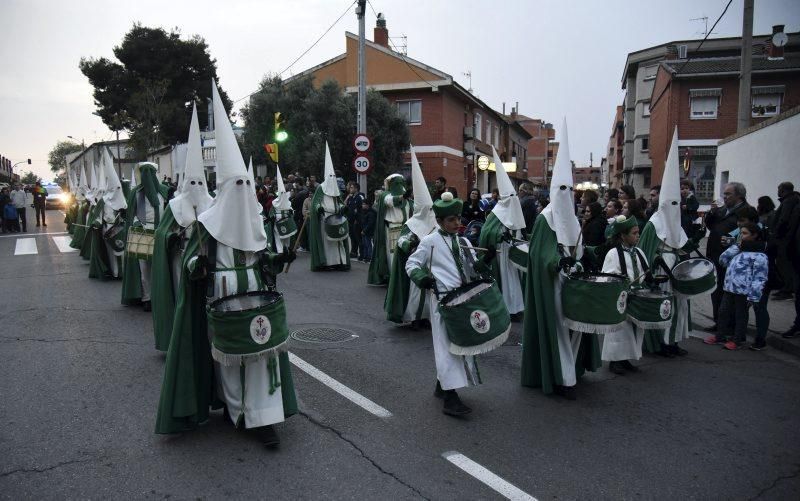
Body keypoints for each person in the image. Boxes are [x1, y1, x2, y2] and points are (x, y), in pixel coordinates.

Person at [155, 81, 297, 446]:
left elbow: (264, 263)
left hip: (255, 299)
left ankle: (265, 416)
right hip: (221, 301)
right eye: (236, 183)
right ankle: (240, 414)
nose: (242, 191)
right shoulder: (207, 226)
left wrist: (280, 258)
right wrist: (194, 270)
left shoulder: (256, 223)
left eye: (246, 184)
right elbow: (191, 261)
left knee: (261, 358)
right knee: (231, 363)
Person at [520, 120, 601, 400]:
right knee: (558, 331)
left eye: (570, 189)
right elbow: (541, 253)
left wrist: (588, 255)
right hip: (554, 287)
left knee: (576, 329)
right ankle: (562, 378)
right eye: (561, 189)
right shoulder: (545, 219)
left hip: (574, 284)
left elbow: (578, 247)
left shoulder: (574, 219)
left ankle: (572, 371)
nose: (566, 195)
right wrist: (557, 262)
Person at [406, 191, 499, 415]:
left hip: (463, 300)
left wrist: (486, 260)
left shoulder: (464, 241)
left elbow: (473, 268)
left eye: (458, 218)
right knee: (447, 347)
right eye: (451, 220)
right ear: (439, 221)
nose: (458, 223)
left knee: (459, 344)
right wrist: (423, 278)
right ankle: (450, 398)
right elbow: (411, 263)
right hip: (442, 302)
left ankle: (442, 384)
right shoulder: (430, 242)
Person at [151, 104, 213, 352]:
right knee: (182, 296)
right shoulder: (175, 205)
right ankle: (182, 338)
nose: (197, 186)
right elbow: (161, 233)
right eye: (193, 182)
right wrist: (172, 238)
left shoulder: (212, 202)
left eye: (201, 182)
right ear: (186, 182)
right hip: (182, 257)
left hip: (207, 257)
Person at [638, 130, 697, 357]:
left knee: (678, 308)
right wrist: (656, 263)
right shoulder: (654, 224)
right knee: (662, 308)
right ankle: (659, 343)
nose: (673, 207)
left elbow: (681, 246)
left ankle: (673, 341)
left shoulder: (677, 224)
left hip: (677, 276)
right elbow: (645, 252)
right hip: (661, 276)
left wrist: (689, 247)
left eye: (677, 202)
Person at [385, 148, 436, 325]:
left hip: (431, 265)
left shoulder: (435, 224)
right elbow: (402, 240)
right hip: (415, 266)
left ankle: (427, 318)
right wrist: (410, 243)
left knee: (431, 295)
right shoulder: (412, 224)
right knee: (416, 294)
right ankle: (415, 318)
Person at [478, 148, 526, 317]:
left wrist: (516, 239)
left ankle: (516, 307)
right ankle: (504, 308)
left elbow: (519, 231)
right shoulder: (496, 213)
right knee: (504, 282)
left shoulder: (514, 210)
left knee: (514, 282)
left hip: (513, 255)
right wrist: (499, 236)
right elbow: (486, 232)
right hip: (500, 255)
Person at [708, 223, 768, 350]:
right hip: (729, 288)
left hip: (743, 291)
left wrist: (753, 296)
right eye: (741, 233)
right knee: (723, 312)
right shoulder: (738, 250)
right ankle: (720, 335)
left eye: (745, 233)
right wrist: (736, 247)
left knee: (740, 315)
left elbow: (759, 278)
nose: (742, 236)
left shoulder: (760, 256)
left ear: (755, 235)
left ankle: (737, 339)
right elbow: (723, 260)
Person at [601, 216, 648, 374]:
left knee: (632, 330)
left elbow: (644, 272)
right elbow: (607, 276)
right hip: (621, 298)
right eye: (634, 233)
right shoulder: (613, 254)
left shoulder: (639, 252)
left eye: (638, 232)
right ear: (623, 235)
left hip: (637, 297)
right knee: (619, 331)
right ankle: (615, 361)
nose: (637, 236)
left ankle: (626, 358)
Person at [120, 162, 169, 310]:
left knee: (161, 267)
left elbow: (169, 212)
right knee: (145, 269)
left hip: (161, 233)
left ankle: (162, 296)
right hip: (143, 234)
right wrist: (138, 224)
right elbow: (132, 214)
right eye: (144, 172)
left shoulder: (165, 192)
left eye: (150, 172)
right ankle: (147, 298)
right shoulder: (136, 193)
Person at [704, 181, 750, 331]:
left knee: (729, 293)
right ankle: (719, 322)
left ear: (739, 196)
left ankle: (730, 325)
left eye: (728, 194)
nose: (725, 197)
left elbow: (750, 233)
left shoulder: (746, 211)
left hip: (733, 259)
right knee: (715, 290)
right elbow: (711, 226)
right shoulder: (723, 209)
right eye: (724, 193)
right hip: (715, 254)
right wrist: (711, 213)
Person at [308, 143, 351, 271]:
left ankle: (341, 262)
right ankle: (326, 262)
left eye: (334, 176)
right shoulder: (321, 188)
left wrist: (343, 207)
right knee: (327, 243)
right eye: (330, 176)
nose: (332, 178)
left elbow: (340, 201)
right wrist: (318, 209)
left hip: (337, 217)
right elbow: (316, 203)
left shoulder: (336, 188)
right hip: (325, 218)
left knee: (339, 240)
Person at [368, 174, 412, 285]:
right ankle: (394, 277)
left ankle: (404, 276)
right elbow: (391, 200)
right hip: (393, 229)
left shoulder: (407, 197)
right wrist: (402, 197)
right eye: (397, 183)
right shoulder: (386, 195)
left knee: (406, 253)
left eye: (401, 183)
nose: (399, 185)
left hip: (406, 229)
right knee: (393, 254)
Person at [771, 182, 799, 301]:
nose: (777, 191)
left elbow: (784, 219)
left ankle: (787, 289)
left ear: (783, 190)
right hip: (787, 238)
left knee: (784, 263)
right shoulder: (793, 199)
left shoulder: (788, 201)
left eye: (778, 189)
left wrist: (776, 234)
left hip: (784, 238)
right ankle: (787, 287)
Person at [344, 182, 365, 258]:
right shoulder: (351, 197)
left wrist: (359, 219)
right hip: (350, 221)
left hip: (357, 222)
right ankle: (354, 252)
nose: (350, 189)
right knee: (352, 237)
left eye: (352, 188)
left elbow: (362, 210)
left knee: (359, 238)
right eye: (350, 187)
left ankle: (362, 254)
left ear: (356, 189)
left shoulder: (360, 197)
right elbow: (346, 206)